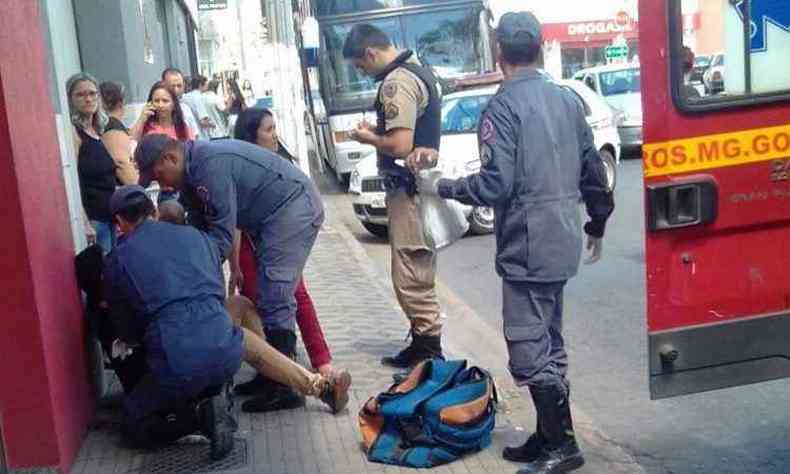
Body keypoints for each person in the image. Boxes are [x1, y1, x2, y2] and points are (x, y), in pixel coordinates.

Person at [411, 12, 614, 474]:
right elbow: (593, 172)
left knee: (527, 345)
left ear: (499, 53)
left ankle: (562, 446)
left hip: (527, 245)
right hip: (561, 240)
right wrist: (597, 223)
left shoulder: (502, 107)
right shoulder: (567, 101)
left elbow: (495, 185)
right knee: (550, 339)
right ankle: (549, 435)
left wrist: (442, 188)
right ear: (541, 48)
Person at [105, 186, 352, 457]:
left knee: (132, 423)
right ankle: (314, 385)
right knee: (234, 317)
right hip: (222, 349)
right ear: (153, 211)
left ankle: (201, 418)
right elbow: (214, 288)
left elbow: (128, 331)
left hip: (178, 360)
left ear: (119, 223)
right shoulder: (196, 236)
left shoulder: (118, 259)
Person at [133, 134, 326, 393]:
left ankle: (283, 387)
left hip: (292, 206)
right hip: (270, 215)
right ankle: (274, 376)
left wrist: (189, 276)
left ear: (171, 158)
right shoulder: (191, 175)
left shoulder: (209, 167)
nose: (161, 184)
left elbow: (221, 237)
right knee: (267, 292)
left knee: (275, 292)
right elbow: (200, 228)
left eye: (159, 176)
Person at [343, 24, 444, 368]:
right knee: (415, 266)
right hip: (417, 186)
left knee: (411, 269)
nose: (362, 72)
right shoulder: (419, 69)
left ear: (370, 53)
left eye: (360, 65)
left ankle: (428, 350)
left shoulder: (397, 82)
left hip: (408, 190)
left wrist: (367, 138)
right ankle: (423, 342)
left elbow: (400, 145)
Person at [230, 108, 335, 412]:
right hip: (251, 244)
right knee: (255, 302)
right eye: (268, 129)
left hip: (279, 244)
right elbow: (235, 219)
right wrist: (235, 264)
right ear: (251, 135)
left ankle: (315, 365)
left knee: (294, 294)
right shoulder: (241, 164)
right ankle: (272, 372)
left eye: (274, 127)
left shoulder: (281, 164)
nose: (274, 134)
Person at [66, 72, 117, 254]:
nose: (88, 99)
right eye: (81, 95)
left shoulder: (97, 132)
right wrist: (85, 222)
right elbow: (73, 181)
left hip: (110, 217)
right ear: (70, 100)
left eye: (92, 93)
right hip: (94, 220)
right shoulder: (74, 134)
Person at [99, 81, 139, 186]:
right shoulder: (113, 126)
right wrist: (139, 190)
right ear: (121, 103)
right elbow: (121, 163)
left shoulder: (110, 125)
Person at [161, 68, 203, 139]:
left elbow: (195, 135)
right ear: (163, 85)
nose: (176, 90)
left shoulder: (185, 108)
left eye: (179, 86)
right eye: (172, 86)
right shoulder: (155, 109)